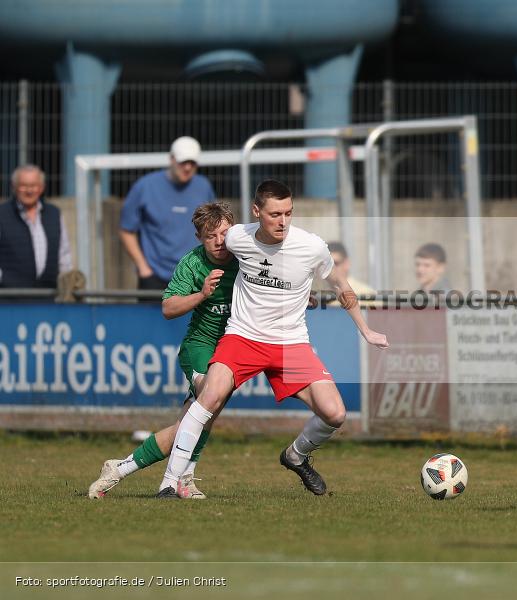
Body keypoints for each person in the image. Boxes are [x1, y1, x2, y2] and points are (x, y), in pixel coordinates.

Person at [156, 180, 388, 498]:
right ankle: (170, 483)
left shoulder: (312, 246)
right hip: (244, 337)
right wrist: (198, 290)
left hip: (290, 343)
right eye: (275, 214)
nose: (283, 221)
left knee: (335, 413)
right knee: (208, 397)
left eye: (289, 213)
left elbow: (339, 284)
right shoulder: (237, 237)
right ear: (256, 212)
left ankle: (295, 455)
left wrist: (365, 328)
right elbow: (208, 251)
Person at [88, 202, 238, 499]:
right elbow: (168, 308)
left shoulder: (246, 256)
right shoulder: (192, 264)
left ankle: (119, 468)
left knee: (191, 421)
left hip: (233, 347)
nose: (220, 241)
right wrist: (202, 293)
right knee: (209, 402)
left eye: (224, 232)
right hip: (200, 346)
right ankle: (184, 479)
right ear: (199, 238)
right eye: (211, 236)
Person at [119, 136, 216, 290]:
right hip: (155, 277)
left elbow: (213, 228)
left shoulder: (203, 187)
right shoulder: (145, 187)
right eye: (183, 162)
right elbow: (126, 230)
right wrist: (143, 268)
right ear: (171, 159)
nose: (187, 168)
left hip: (195, 275)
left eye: (192, 163)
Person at [0, 164, 73, 288]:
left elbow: (64, 255)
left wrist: (67, 283)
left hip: (49, 298)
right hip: (10, 300)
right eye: (24, 186)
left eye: (34, 186)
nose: (29, 191)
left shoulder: (54, 214)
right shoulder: (2, 214)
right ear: (14, 187)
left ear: (41, 188)